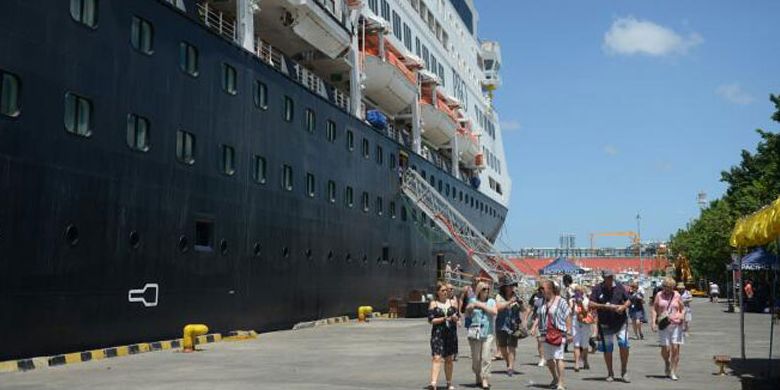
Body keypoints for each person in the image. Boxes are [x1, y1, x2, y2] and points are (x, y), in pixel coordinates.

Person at [589, 270, 632, 383]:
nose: (610, 279)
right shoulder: (597, 288)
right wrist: (604, 306)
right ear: (604, 277)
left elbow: (628, 300)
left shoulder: (619, 286)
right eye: (608, 277)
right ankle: (610, 372)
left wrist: (623, 307)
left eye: (611, 277)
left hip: (620, 322)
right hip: (605, 323)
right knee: (608, 349)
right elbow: (590, 304)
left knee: (624, 345)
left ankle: (624, 371)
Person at [538, 279, 571, 390]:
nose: (541, 290)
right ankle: (555, 378)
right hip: (545, 333)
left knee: (559, 358)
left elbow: (567, 316)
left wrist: (569, 332)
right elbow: (539, 316)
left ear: (550, 289)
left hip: (558, 332)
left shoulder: (560, 301)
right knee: (548, 359)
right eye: (540, 288)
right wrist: (534, 327)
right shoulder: (542, 301)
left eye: (543, 288)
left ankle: (561, 383)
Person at [651, 277, 685, 381]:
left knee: (675, 348)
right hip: (663, 324)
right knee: (665, 348)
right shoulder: (659, 295)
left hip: (676, 324)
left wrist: (681, 315)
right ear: (663, 286)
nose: (668, 289)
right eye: (666, 287)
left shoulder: (677, 295)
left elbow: (682, 308)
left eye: (670, 287)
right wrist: (653, 322)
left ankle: (673, 371)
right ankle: (667, 362)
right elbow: (654, 308)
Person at [427, 282, 459, 390]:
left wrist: (455, 318)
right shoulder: (433, 304)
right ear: (438, 292)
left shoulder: (452, 302)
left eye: (446, 290)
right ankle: (433, 383)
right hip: (438, 333)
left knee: (449, 359)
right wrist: (444, 319)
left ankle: (449, 382)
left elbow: (457, 316)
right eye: (443, 290)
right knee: (437, 357)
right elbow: (431, 320)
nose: (445, 292)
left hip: (450, 333)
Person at [466, 282, 497, 389]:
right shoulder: (473, 300)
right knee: (476, 358)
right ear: (479, 290)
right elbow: (467, 312)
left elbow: (494, 312)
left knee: (486, 357)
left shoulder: (491, 301)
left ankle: (485, 379)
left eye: (488, 289)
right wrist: (470, 307)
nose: (486, 291)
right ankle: (478, 375)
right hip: (475, 333)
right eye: (484, 289)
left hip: (488, 333)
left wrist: (481, 305)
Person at [495, 279, 525, 376]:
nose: (512, 288)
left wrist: (521, 303)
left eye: (513, 286)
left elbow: (524, 310)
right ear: (505, 287)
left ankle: (510, 367)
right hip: (501, 324)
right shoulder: (499, 296)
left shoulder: (516, 296)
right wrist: (509, 302)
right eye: (510, 286)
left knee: (512, 346)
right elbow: (498, 307)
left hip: (513, 325)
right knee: (503, 347)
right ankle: (508, 362)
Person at [570, 284, 594, 372]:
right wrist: (573, 305)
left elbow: (585, 312)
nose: (577, 293)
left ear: (582, 292)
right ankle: (577, 363)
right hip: (575, 322)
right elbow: (571, 312)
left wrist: (581, 304)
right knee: (576, 343)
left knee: (584, 344)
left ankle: (585, 360)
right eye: (576, 291)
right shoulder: (572, 300)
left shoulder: (586, 300)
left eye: (579, 291)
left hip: (584, 323)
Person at [528, 285, 547, 367]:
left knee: (549, 342)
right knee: (540, 340)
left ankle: (549, 357)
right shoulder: (538, 300)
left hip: (551, 324)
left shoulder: (555, 300)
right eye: (542, 289)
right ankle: (542, 358)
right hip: (539, 322)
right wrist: (533, 327)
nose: (543, 291)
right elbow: (533, 310)